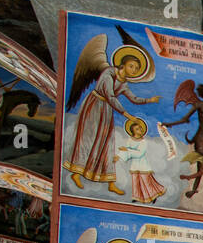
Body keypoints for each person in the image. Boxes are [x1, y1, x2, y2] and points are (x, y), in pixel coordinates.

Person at [65, 42, 159, 194]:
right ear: (123, 64)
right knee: (88, 139)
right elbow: (109, 95)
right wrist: (127, 115)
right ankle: (76, 173)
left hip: (106, 111)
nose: (133, 70)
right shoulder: (108, 73)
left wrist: (149, 100)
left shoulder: (124, 83)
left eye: (136, 68)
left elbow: (133, 98)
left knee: (106, 143)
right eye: (131, 66)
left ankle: (110, 183)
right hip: (94, 105)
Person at [115, 118, 166, 205]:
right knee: (136, 182)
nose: (140, 130)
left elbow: (139, 153)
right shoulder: (130, 140)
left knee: (146, 182)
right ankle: (136, 197)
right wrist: (119, 156)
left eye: (140, 128)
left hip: (143, 164)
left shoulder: (143, 141)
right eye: (137, 129)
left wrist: (127, 150)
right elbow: (126, 151)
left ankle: (153, 195)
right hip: (134, 165)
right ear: (132, 131)